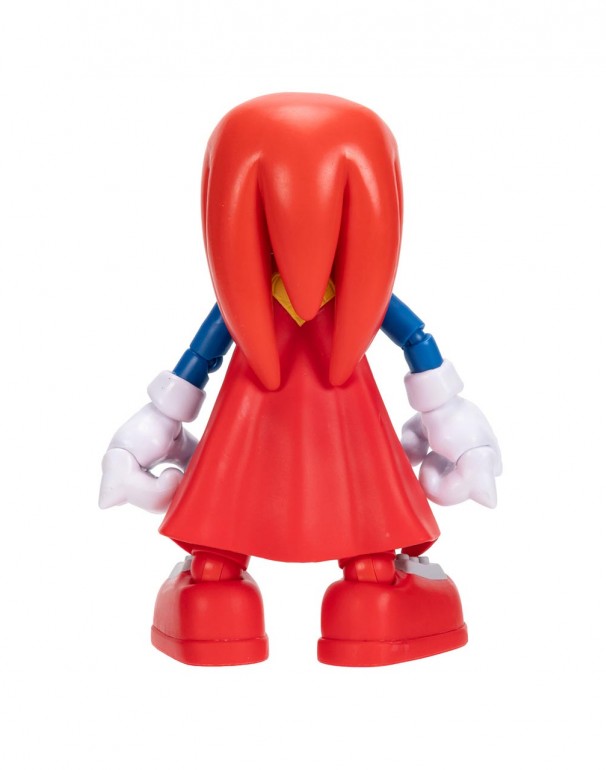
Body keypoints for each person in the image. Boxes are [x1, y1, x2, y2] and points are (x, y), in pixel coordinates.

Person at [99, 93, 501, 667]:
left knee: (230, 505)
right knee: (360, 508)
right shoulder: (323, 299)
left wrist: (162, 416)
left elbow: (199, 357)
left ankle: (214, 588)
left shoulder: (259, 301)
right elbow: (417, 340)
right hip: (342, 415)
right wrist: (446, 411)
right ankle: (371, 588)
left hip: (255, 415)